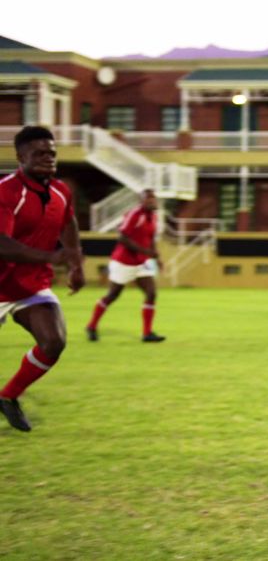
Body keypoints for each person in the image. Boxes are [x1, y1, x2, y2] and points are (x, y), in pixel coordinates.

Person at [0, 126, 85, 433]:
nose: (48, 158)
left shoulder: (61, 190)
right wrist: (52, 257)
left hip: (30, 285)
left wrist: (75, 262)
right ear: (20, 156)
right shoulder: (7, 192)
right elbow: (2, 244)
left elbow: (69, 221)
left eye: (52, 153)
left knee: (53, 342)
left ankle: (8, 397)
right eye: (39, 153)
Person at [86, 189, 166, 343]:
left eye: (153, 198)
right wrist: (145, 251)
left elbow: (150, 240)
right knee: (112, 295)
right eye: (148, 199)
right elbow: (122, 237)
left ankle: (147, 333)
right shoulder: (134, 215)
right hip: (124, 261)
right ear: (141, 201)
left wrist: (157, 258)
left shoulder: (154, 217)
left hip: (141, 262)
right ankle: (91, 326)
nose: (152, 201)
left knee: (151, 293)